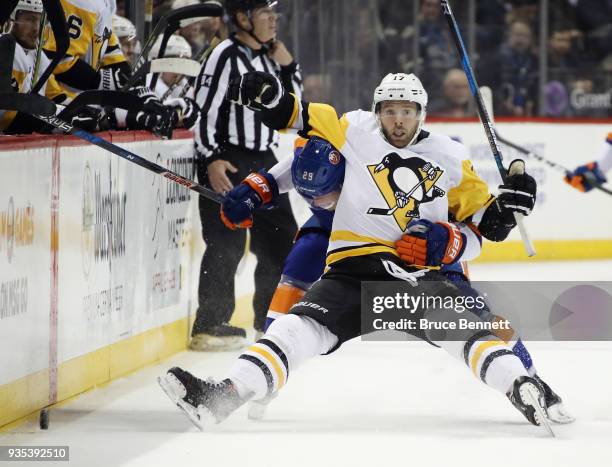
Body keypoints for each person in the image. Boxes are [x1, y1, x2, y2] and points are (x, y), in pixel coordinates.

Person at [159, 71, 556, 432]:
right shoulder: (352, 128)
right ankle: (225, 394)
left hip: (417, 275)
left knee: (472, 329)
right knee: (295, 327)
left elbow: (484, 225)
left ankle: (523, 384)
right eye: (389, 111)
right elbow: (294, 116)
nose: (397, 120)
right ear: (375, 111)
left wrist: (503, 210)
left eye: (406, 111)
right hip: (351, 273)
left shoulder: (450, 156)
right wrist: (269, 96)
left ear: (422, 114)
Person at [189, 0, 301, 351]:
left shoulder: (270, 56)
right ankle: (210, 324)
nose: (273, 20)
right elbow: (203, 108)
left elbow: (295, 104)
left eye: (274, 13)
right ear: (242, 18)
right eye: (265, 13)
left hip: (265, 159)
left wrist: (288, 64)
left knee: (281, 239)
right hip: (228, 158)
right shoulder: (224, 54)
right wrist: (211, 158)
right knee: (227, 242)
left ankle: (268, 321)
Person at [0, 0, 68, 134]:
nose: (36, 27)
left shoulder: (39, 57)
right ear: (11, 19)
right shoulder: (6, 50)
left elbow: (56, 96)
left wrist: (79, 110)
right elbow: (6, 115)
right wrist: (56, 120)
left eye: (39, 20)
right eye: (30, 19)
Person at [43, 0, 131, 97]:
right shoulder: (81, 3)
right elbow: (56, 59)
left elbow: (109, 47)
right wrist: (100, 81)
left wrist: (132, 83)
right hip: (56, 101)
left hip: (82, 100)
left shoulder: (106, 3)